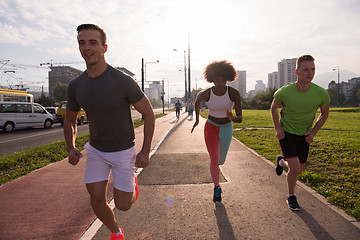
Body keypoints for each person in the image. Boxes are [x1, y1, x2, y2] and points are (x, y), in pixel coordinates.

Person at [63, 24, 155, 240]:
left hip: (123, 151)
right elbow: (70, 120)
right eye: (82, 43)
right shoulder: (75, 85)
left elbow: (149, 114)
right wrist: (70, 146)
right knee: (96, 199)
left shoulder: (123, 81)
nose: (87, 47)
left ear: (105, 47)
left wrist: (145, 152)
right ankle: (116, 232)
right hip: (96, 149)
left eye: (92, 42)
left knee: (124, 205)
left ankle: (132, 184)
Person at [271, 55, 329, 211]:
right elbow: (273, 107)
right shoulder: (285, 92)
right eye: (305, 70)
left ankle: (281, 162)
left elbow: (324, 114)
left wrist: (313, 133)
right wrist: (278, 128)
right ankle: (291, 196)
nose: (310, 73)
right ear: (296, 71)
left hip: (304, 135)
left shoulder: (321, 93)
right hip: (287, 132)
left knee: (298, 169)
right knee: (295, 169)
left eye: (313, 69)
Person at [191, 60, 242, 202]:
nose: (219, 84)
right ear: (211, 79)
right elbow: (197, 101)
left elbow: (240, 118)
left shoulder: (234, 93)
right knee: (214, 159)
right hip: (211, 127)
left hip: (226, 128)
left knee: (221, 160)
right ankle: (217, 187)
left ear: (227, 79)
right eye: (216, 81)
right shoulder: (206, 93)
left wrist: (233, 118)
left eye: (222, 81)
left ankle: (216, 170)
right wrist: (196, 120)